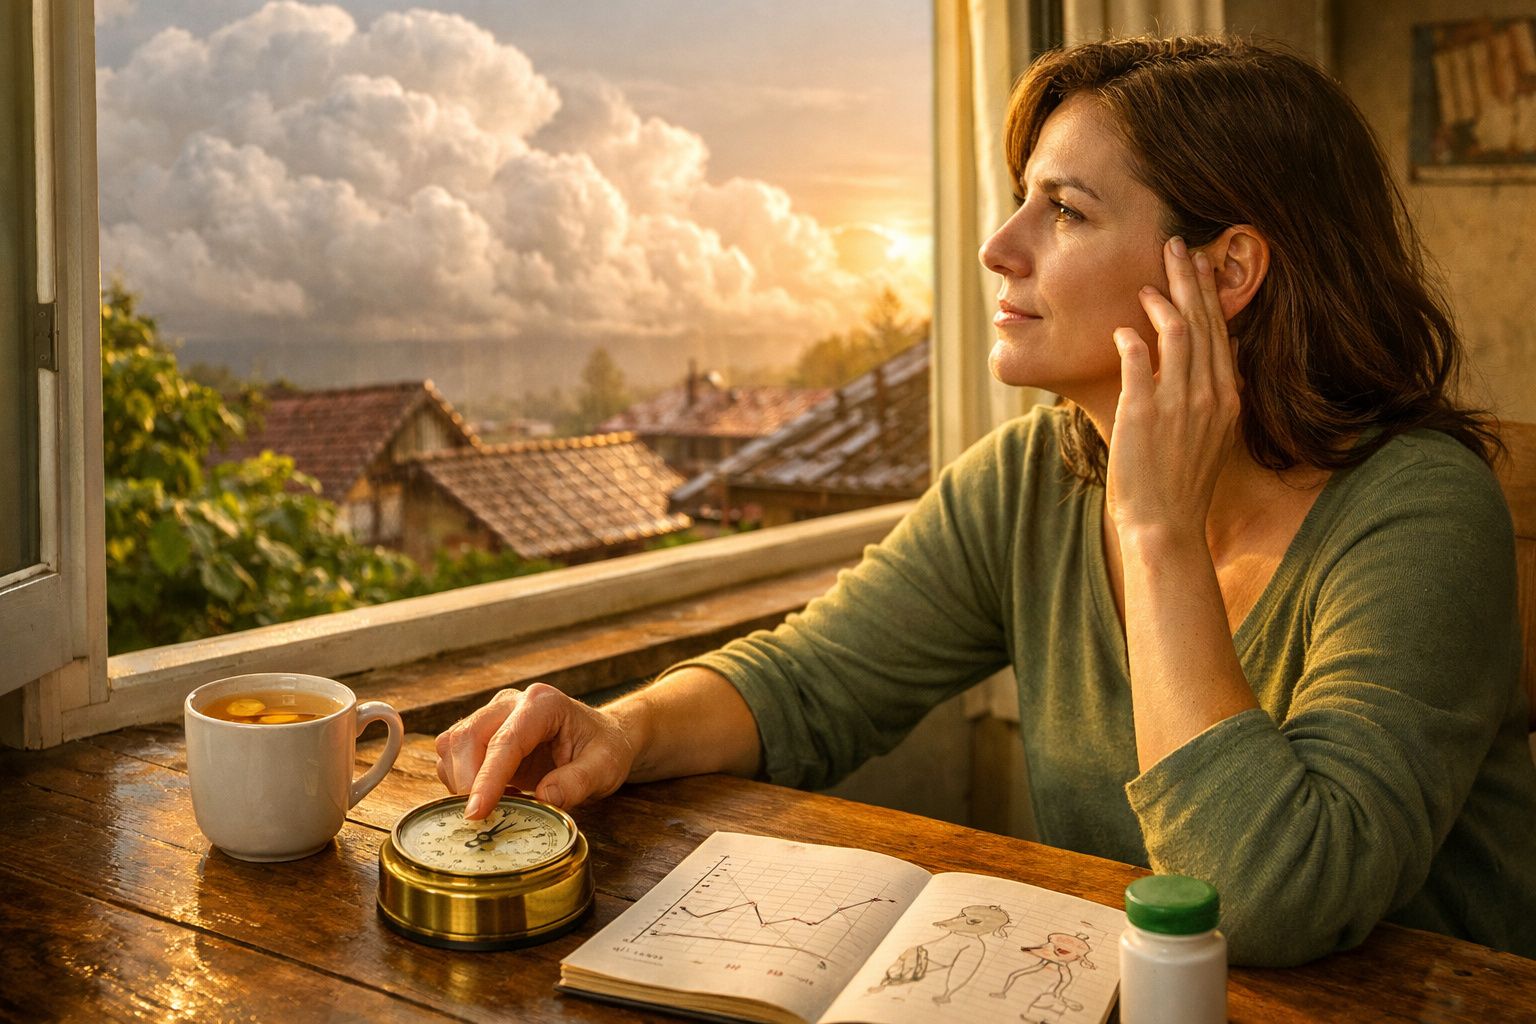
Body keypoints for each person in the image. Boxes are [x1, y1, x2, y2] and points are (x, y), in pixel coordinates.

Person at [434, 35, 1536, 966]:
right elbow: (815, 678)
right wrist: (618, 728)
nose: (996, 247)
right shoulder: (1031, 479)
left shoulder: (1422, 512)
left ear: (1228, 272)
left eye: (1062, 209)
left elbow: (1269, 897)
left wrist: (1154, 532)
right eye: (1022, 199)